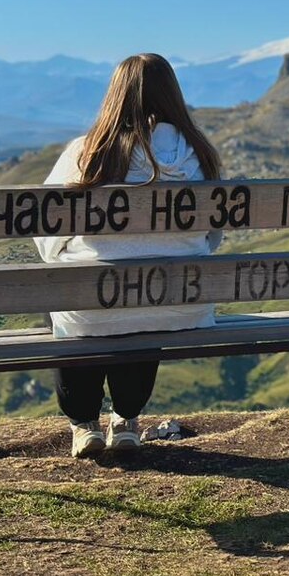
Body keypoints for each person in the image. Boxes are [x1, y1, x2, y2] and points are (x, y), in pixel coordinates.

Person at [35, 53, 223, 457]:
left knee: (67, 294)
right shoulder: (199, 155)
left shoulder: (86, 153)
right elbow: (211, 239)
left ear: (115, 96)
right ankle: (126, 417)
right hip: (181, 303)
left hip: (93, 304)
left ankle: (84, 422)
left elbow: (49, 230)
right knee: (147, 295)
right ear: (172, 95)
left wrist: (66, 255)